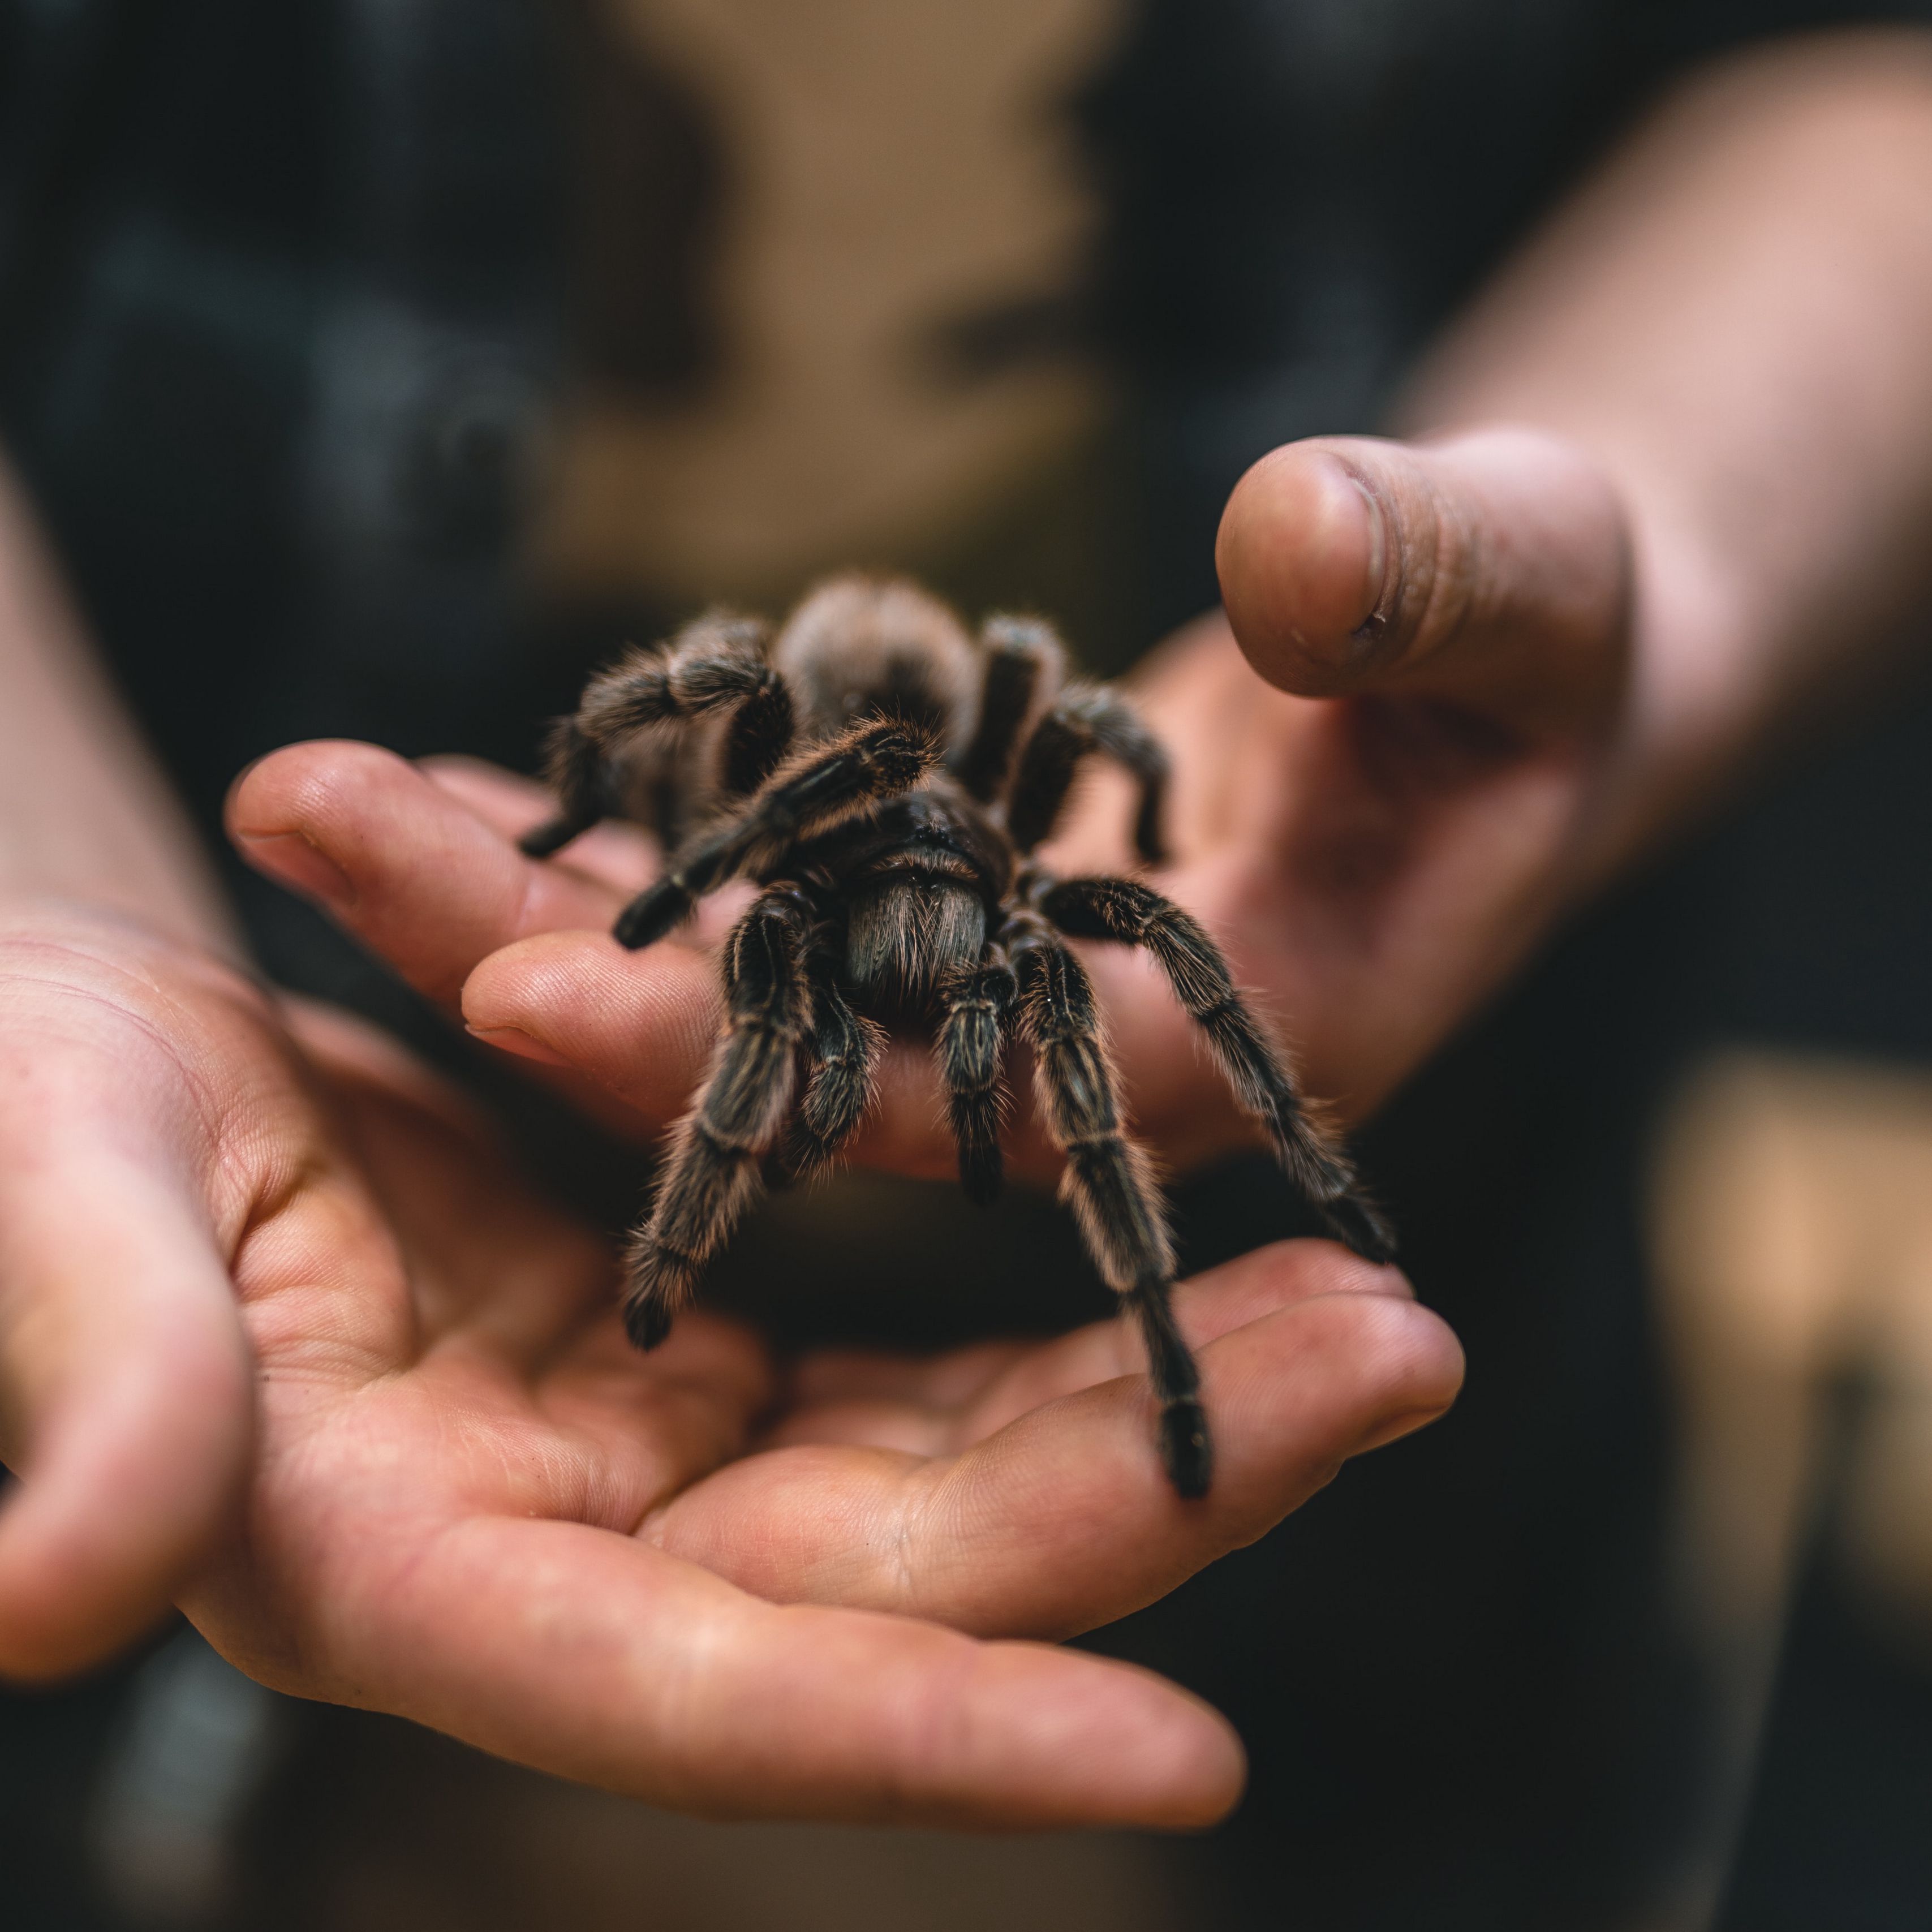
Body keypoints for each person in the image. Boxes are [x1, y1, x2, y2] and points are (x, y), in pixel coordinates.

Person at [5, 0, 1932, 1901]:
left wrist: (1657, 556)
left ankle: (1225, 1288)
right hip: (335, 1241)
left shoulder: (1020, 864)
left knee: (1149, 956)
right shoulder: (790, 837)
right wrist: (671, 895)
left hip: (1421, 1586)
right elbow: (749, 789)